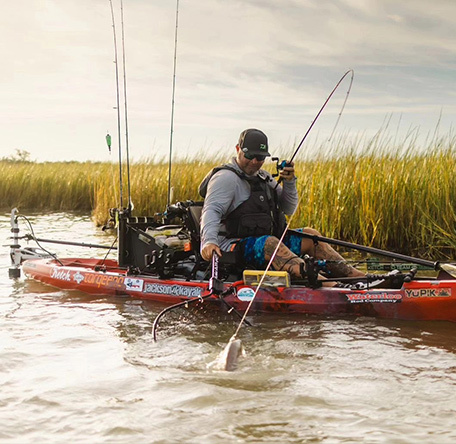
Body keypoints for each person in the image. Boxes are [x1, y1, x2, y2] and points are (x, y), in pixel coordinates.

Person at [198, 128, 363, 281]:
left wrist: (290, 182)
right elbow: (211, 210)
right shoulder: (225, 178)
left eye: (260, 157)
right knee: (270, 243)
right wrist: (209, 242)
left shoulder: (263, 177)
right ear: (238, 149)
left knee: (310, 236)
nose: (255, 161)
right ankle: (332, 287)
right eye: (250, 156)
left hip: (266, 243)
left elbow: (288, 209)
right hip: (230, 247)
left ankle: (359, 278)